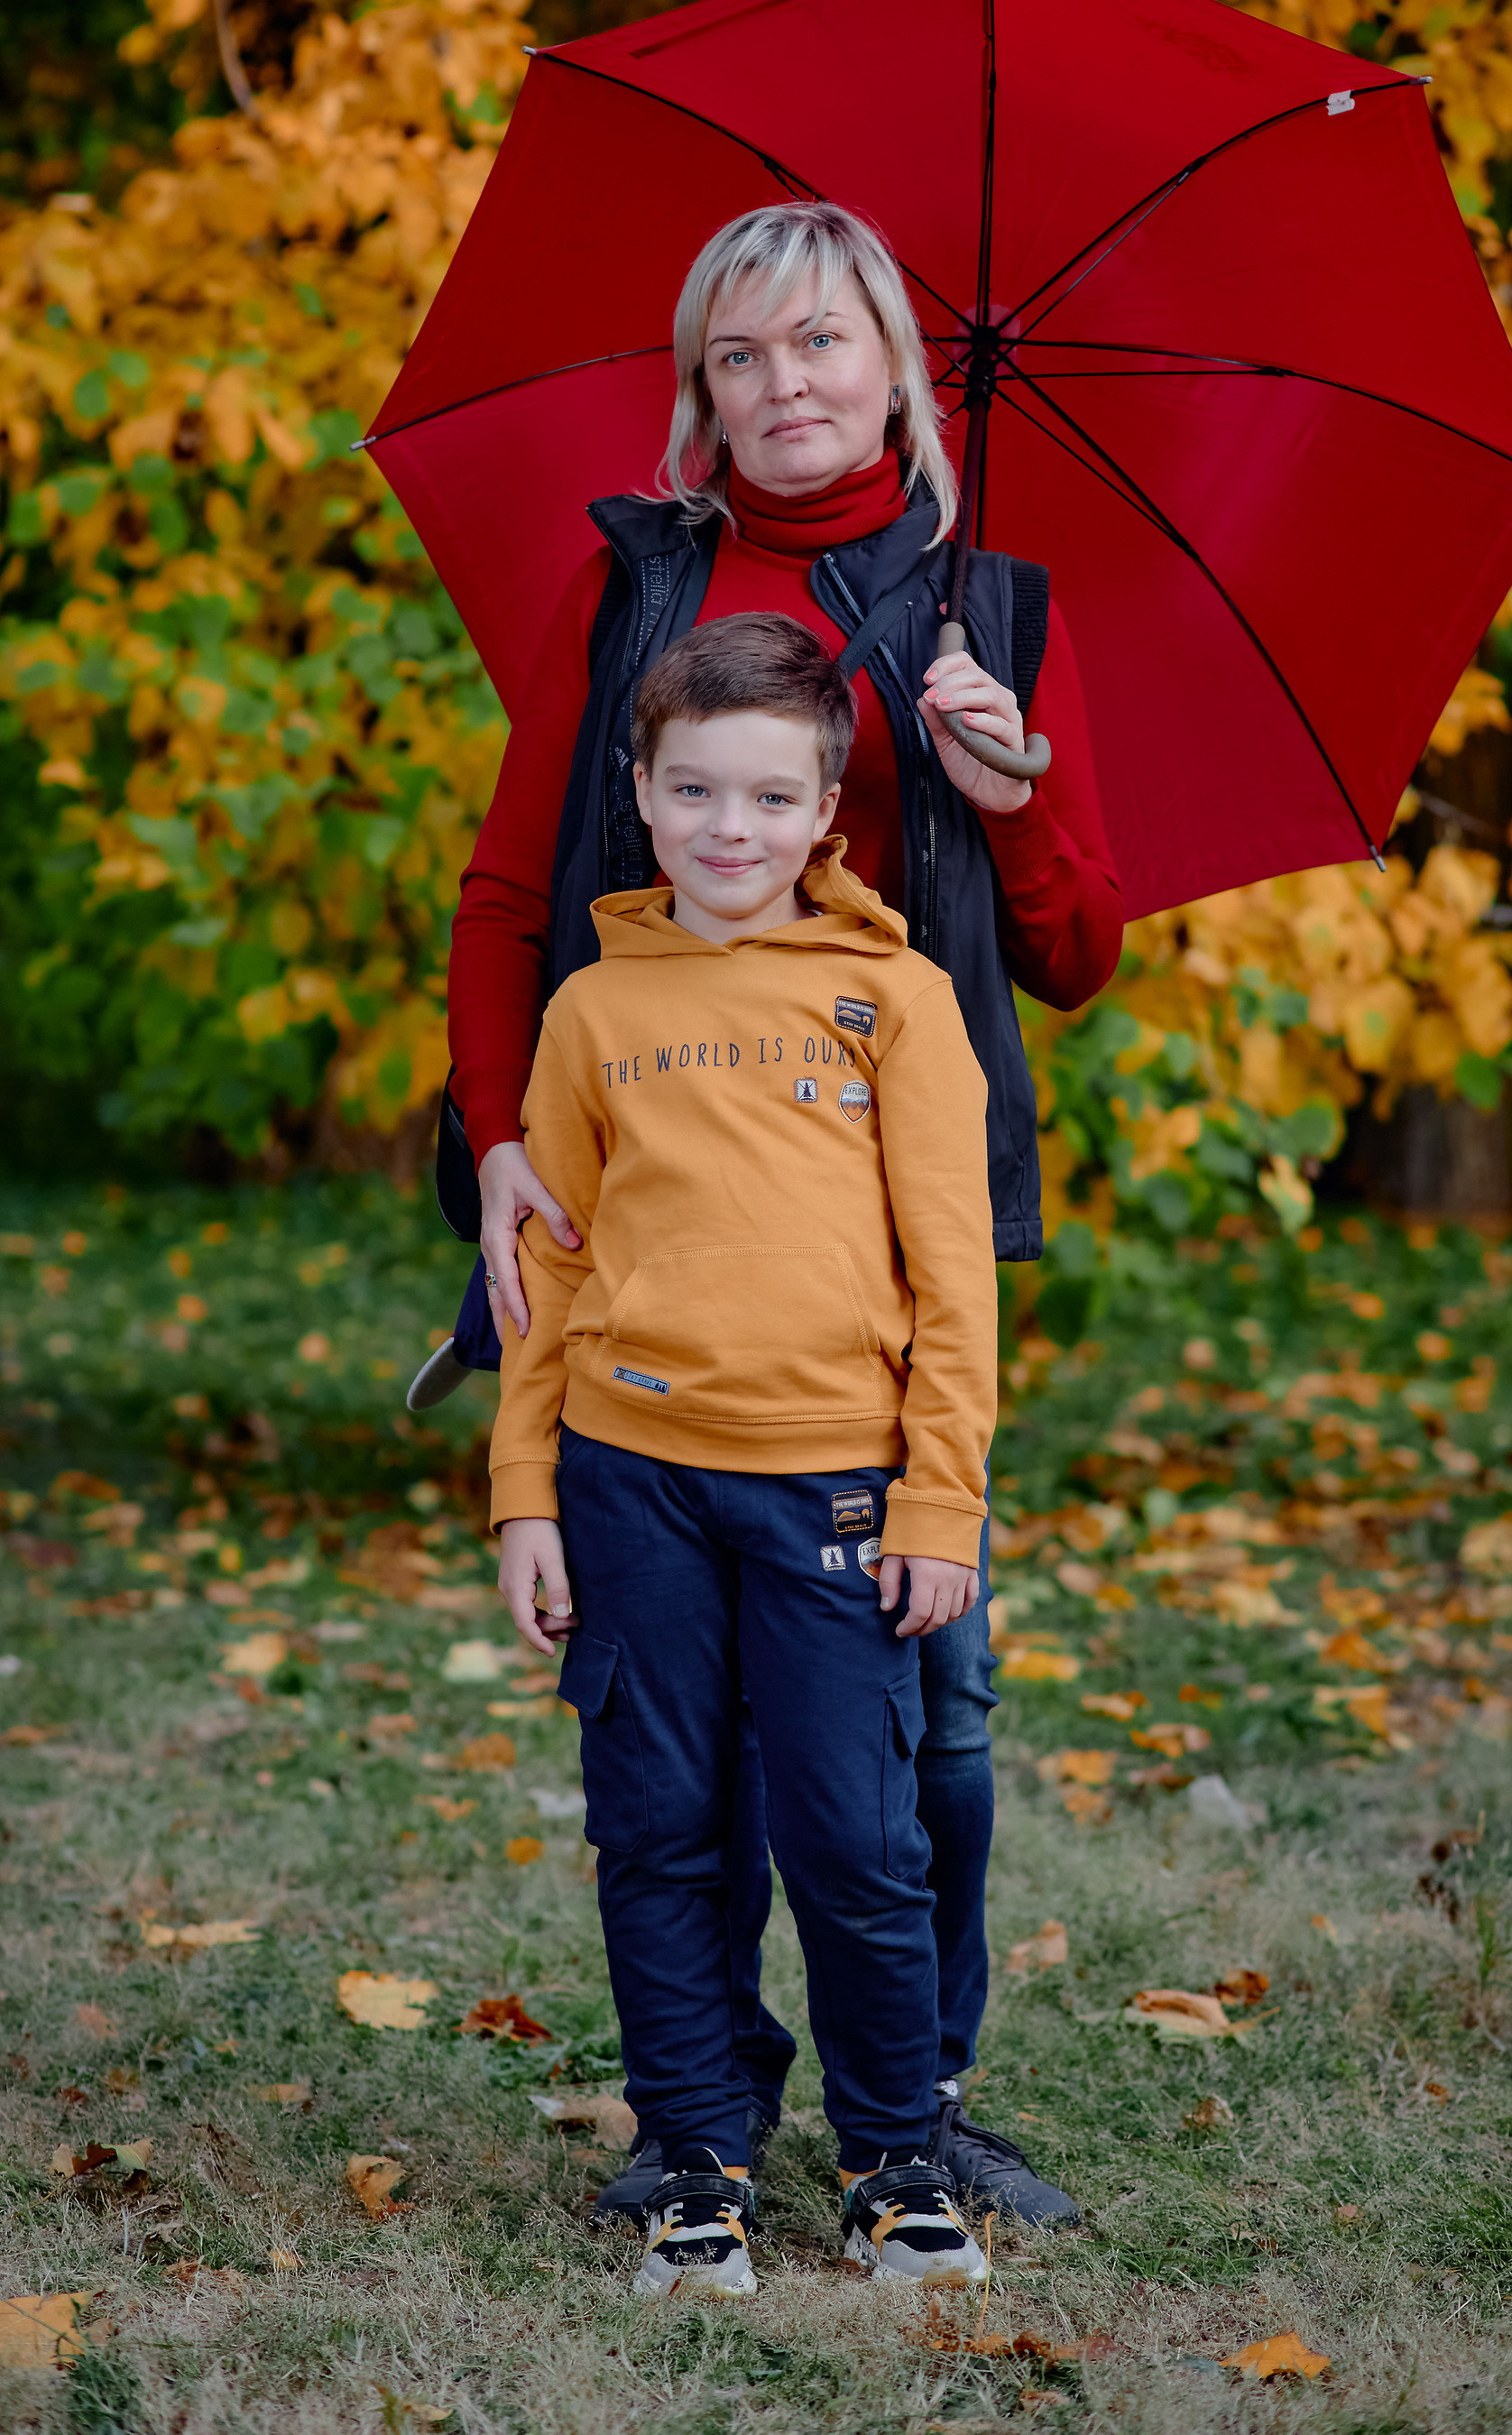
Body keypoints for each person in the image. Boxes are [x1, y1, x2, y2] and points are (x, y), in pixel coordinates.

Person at [445, 199, 1124, 2224]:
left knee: (933, 1711)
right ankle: (702, 2113)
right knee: (678, 1723)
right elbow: (509, 892)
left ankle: (913, 2104)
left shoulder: (983, 604)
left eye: (819, 343)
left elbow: (1076, 956)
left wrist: (1012, 798)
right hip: (640, 1178)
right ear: (697, 386)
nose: (782, 386)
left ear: (894, 366)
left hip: (886, 1243)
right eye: (737, 356)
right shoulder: (624, 588)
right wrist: (498, 1137)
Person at [492, 612, 998, 2296]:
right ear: (637, 792)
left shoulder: (898, 1004)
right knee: (659, 1829)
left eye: (770, 800)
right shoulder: (589, 1012)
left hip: (837, 1489)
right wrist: (525, 1493)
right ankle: (699, 2156)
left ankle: (893, 2159)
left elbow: (956, 1274)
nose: (730, 829)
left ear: (826, 811)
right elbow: (545, 1273)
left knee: (857, 1840)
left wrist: (940, 1499)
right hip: (631, 1481)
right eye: (694, 788)